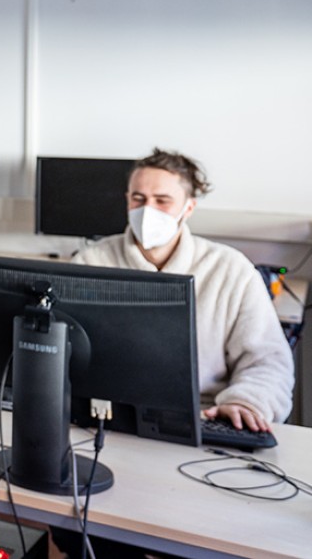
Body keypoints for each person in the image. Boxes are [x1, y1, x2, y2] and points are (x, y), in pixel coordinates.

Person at [72, 148, 294, 431]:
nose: (147, 211)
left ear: (188, 208)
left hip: (203, 416)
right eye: (138, 199)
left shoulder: (230, 269)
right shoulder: (91, 262)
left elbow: (269, 360)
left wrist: (246, 403)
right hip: (107, 416)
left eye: (162, 200)